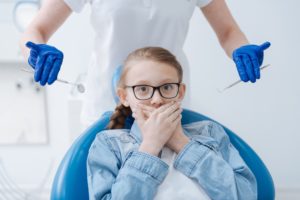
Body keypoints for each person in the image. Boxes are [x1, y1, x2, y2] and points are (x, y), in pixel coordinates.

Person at [20, 0, 270, 126]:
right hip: (105, 105)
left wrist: (241, 48)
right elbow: (36, 29)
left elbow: (228, 32)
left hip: (167, 102)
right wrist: (36, 51)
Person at [87, 47, 257, 200]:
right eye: (143, 89)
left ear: (180, 92)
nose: (157, 100)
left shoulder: (209, 132)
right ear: (124, 96)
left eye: (167, 87)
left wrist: (181, 142)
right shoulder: (108, 144)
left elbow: (245, 196)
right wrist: (150, 146)